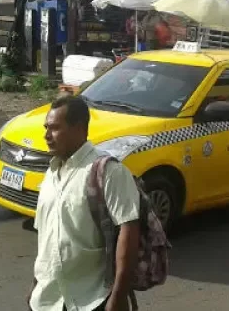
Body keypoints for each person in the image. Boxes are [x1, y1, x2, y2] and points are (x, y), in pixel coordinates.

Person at [27, 96, 141, 311]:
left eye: (55, 128)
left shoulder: (108, 172)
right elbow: (46, 239)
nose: (46, 136)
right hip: (47, 299)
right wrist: (35, 285)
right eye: (46, 128)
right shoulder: (51, 173)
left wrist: (118, 296)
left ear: (78, 128)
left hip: (92, 298)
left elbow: (128, 232)